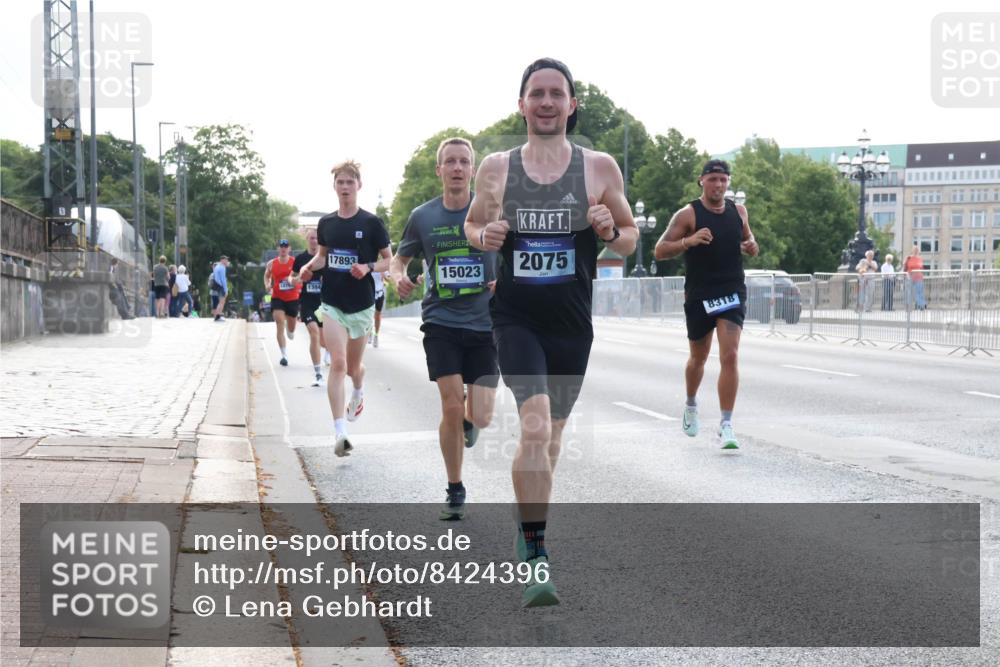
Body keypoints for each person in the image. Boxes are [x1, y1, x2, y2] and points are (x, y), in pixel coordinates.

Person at [464, 58, 637, 607]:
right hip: (515, 320)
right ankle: (536, 554)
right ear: (521, 104)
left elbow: (630, 236)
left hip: (571, 326)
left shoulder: (599, 168)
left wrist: (611, 231)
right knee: (535, 426)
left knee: (551, 438)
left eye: (555, 93)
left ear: (571, 104)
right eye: (535, 93)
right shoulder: (495, 167)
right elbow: (471, 225)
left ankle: (527, 522)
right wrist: (482, 234)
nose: (545, 102)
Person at [392, 137, 500, 521]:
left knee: (481, 414)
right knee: (452, 404)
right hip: (441, 321)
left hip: (486, 323)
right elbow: (398, 260)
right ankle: (455, 488)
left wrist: (504, 280)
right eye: (450, 162)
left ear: (473, 170)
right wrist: (399, 278)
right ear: (439, 170)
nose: (457, 168)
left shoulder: (492, 210)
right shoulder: (423, 216)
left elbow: (516, 253)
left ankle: (472, 422)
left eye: (464, 162)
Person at [653, 158, 759, 451]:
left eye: (723, 180)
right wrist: (689, 241)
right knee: (698, 359)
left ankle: (726, 424)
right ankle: (690, 403)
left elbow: (749, 241)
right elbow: (660, 250)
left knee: (731, 355)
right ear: (702, 181)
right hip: (700, 293)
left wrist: (751, 246)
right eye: (713, 179)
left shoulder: (739, 211)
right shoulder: (688, 214)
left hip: (731, 290)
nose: (718, 185)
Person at [299, 160, 391, 457]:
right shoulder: (327, 224)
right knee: (337, 364)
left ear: (358, 186)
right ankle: (340, 433)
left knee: (353, 368)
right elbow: (323, 258)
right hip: (333, 303)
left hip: (362, 306)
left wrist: (368, 267)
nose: (345, 187)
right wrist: (308, 268)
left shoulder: (371, 223)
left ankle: (359, 391)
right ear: (335, 187)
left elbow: (390, 260)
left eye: (350, 182)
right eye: (341, 182)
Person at [292, 229, 326, 386]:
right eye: (311, 238)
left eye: (317, 238)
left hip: (325, 303)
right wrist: (298, 279)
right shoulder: (301, 259)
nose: (314, 241)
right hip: (307, 302)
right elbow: (291, 277)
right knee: (314, 334)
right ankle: (318, 373)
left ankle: (329, 354)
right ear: (307, 239)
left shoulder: (325, 258)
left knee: (325, 340)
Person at [265, 239, 303, 367]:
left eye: (285, 246)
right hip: (277, 297)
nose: (283, 249)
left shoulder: (295, 262)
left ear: (289, 248)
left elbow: (301, 276)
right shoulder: (272, 263)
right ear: (278, 249)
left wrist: (294, 281)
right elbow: (266, 275)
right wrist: (267, 284)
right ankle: (284, 355)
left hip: (292, 297)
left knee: (291, 330)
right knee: (279, 322)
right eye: (281, 246)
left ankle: (290, 328)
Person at [369, 269, 388, 347]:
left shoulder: (383, 266)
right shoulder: (369, 264)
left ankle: (376, 335)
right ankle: (369, 333)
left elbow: (390, 279)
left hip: (379, 293)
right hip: (369, 293)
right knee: (369, 314)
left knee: (377, 315)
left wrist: (384, 275)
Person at [904, 245, 927, 310]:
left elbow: (922, 268)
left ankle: (921, 305)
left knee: (919, 292)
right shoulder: (909, 258)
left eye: (917, 250)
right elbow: (905, 266)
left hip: (919, 277)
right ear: (912, 250)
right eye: (915, 249)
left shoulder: (920, 258)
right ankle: (908, 307)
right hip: (910, 277)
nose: (916, 251)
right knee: (909, 292)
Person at [210, 256, 230, 322]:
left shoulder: (217, 267)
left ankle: (217, 316)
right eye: (226, 260)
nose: (227, 261)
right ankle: (218, 317)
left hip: (217, 286)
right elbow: (223, 279)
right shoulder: (222, 267)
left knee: (220, 302)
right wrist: (226, 289)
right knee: (222, 302)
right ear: (222, 260)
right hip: (221, 286)